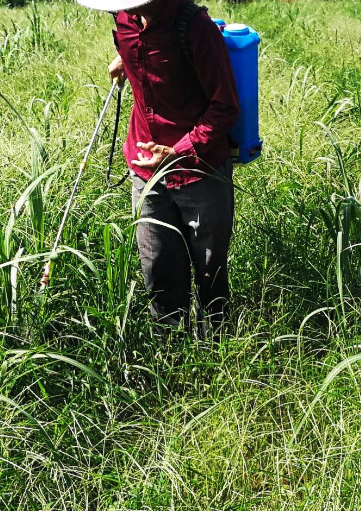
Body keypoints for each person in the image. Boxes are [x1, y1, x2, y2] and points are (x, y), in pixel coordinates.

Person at [77, 0, 240, 331]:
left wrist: (177, 152)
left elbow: (225, 106)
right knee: (158, 270)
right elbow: (149, 57)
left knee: (210, 274)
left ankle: (217, 356)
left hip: (200, 171)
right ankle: (168, 358)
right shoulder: (123, 19)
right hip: (145, 169)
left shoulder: (193, 25)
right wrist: (128, 61)